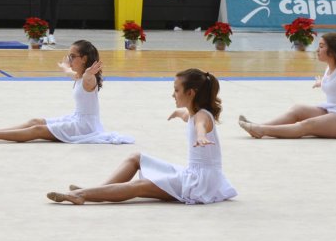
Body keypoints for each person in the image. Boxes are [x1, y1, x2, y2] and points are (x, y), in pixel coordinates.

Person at [47, 69, 237, 205]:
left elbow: (200, 125)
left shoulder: (202, 116)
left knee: (139, 186)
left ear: (191, 93)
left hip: (199, 183)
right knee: (136, 158)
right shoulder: (195, 112)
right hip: (195, 174)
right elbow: (190, 117)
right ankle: (98, 190)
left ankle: (82, 195)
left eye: (176, 90)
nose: (173, 94)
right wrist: (180, 113)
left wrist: (202, 137)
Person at [0, 40, 132, 144]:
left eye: (72, 56)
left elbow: (89, 80)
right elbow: (72, 74)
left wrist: (89, 73)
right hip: (76, 118)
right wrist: (65, 67)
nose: (69, 59)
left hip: (84, 127)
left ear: (83, 59)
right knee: (35, 121)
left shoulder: (89, 79)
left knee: (37, 131)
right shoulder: (78, 75)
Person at [238, 33, 336, 139]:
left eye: (321, 47)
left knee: (308, 125)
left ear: (333, 51)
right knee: (298, 109)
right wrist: (321, 83)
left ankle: (262, 131)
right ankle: (260, 125)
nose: (317, 50)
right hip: (334, 111)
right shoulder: (329, 68)